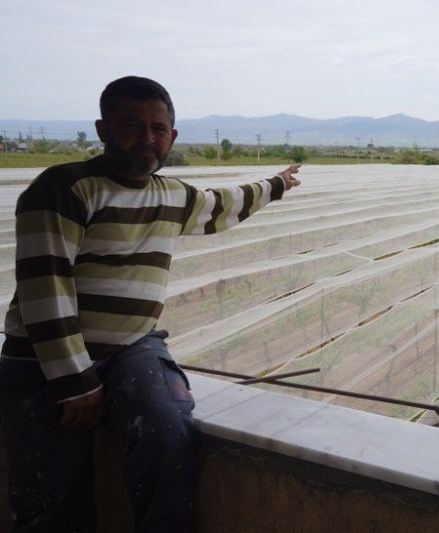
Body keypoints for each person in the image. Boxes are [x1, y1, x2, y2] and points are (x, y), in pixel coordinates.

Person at [0, 76, 301, 533]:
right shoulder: (64, 188)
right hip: (42, 362)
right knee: (52, 500)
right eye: (131, 126)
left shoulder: (173, 195)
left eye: (158, 129)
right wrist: (75, 382)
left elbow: (224, 204)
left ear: (172, 136)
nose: (147, 139)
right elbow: (46, 287)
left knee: (167, 431)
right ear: (102, 131)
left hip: (130, 348)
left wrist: (276, 184)